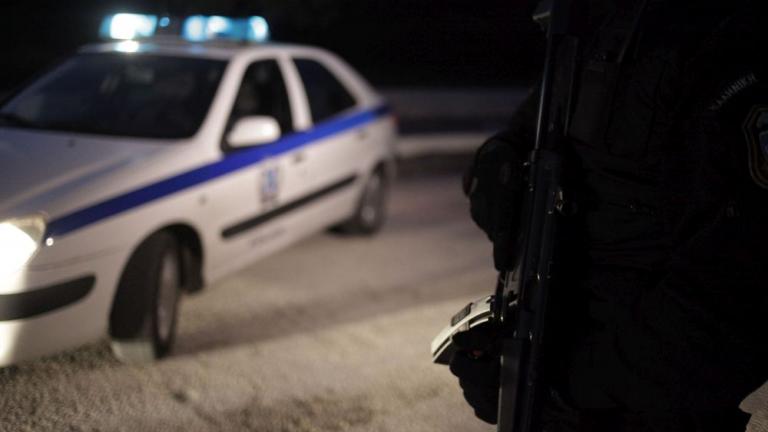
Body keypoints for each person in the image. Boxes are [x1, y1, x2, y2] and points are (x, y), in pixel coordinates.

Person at [450, 1, 768, 431]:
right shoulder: (599, 20)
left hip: (643, 410)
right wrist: (497, 157)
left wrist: (557, 385)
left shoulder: (720, 34)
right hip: (566, 382)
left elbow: (731, 302)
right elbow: (537, 128)